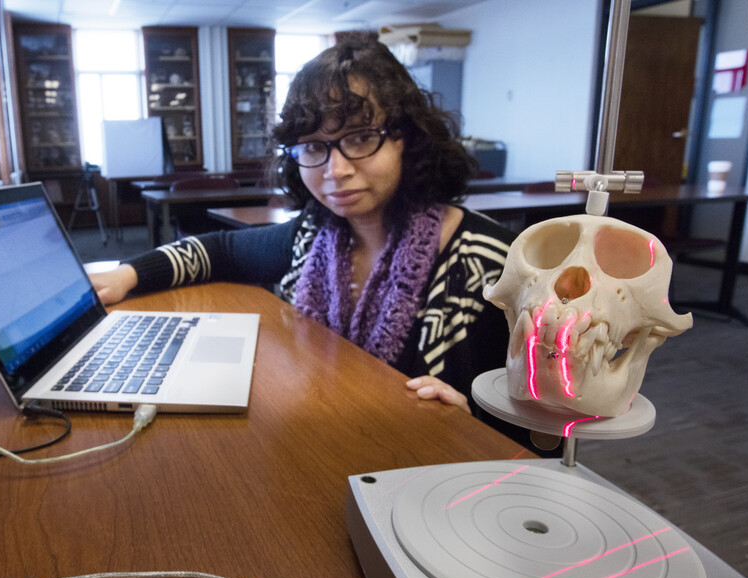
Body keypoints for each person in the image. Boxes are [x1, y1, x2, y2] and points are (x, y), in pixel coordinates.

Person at [91, 35, 545, 453]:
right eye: (313, 146)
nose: (336, 169)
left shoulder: (495, 269)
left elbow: (552, 430)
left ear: (407, 139)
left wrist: (478, 422)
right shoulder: (313, 237)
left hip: (438, 483)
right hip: (327, 448)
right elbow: (220, 252)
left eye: (361, 138)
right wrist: (127, 274)